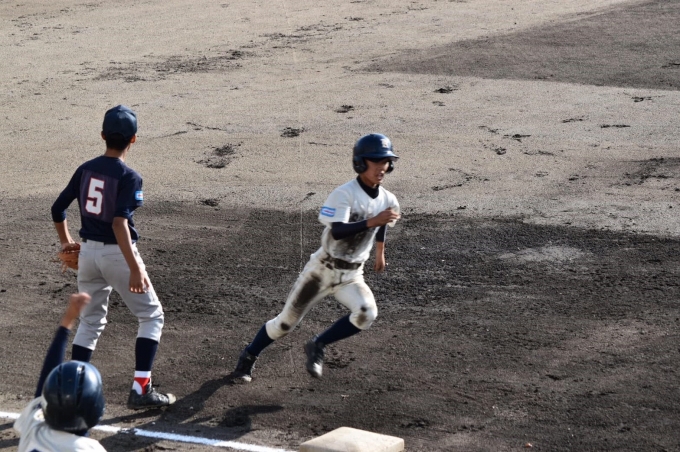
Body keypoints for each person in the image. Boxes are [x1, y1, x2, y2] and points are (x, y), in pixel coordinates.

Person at [233, 133, 401, 382]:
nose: (382, 167)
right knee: (285, 324)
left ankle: (318, 344)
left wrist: (380, 252)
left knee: (367, 313)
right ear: (360, 162)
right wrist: (373, 222)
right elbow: (338, 230)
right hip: (321, 271)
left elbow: (383, 222)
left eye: (386, 161)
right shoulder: (344, 193)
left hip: (352, 275)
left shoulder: (389, 199)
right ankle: (249, 355)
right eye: (376, 161)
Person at [50, 105, 175, 410]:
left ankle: (74, 392)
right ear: (134, 139)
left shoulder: (85, 169)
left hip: (88, 255)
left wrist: (67, 242)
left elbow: (57, 208)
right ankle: (141, 389)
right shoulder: (130, 176)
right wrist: (135, 268)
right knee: (151, 316)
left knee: (90, 322)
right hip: (118, 254)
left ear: (103, 135)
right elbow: (119, 224)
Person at [14, 292, 108, 451]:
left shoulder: (34, 429)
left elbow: (44, 385)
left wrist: (67, 321)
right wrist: (67, 321)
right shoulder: (91, 449)